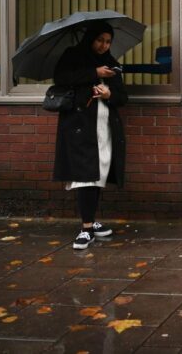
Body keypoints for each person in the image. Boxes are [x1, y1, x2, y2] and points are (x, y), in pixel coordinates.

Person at [53, 22, 128, 250]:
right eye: (99, 40)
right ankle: (85, 229)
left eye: (108, 41)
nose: (103, 45)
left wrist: (109, 92)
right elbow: (61, 78)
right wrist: (94, 73)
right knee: (85, 174)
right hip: (79, 125)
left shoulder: (112, 63)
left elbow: (123, 97)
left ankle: (91, 220)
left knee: (98, 174)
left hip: (104, 126)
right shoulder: (73, 56)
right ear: (90, 38)